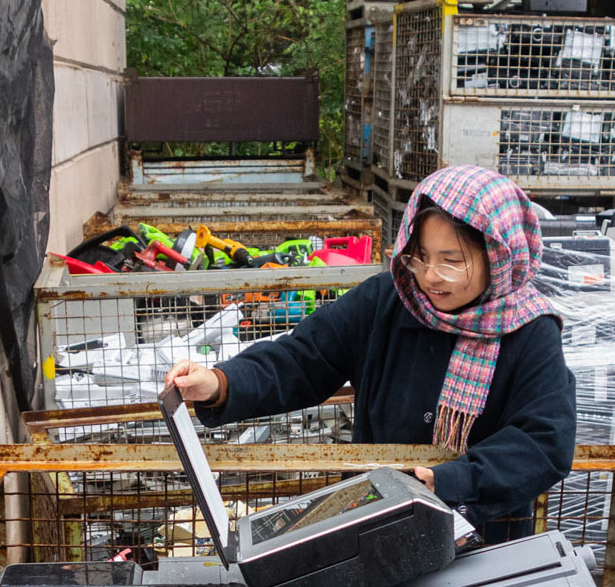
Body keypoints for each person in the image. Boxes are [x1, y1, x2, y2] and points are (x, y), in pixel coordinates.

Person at [164, 165, 575, 542]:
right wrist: (221, 382)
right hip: (378, 522)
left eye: (451, 262)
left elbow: (544, 440)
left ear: (497, 257)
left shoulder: (530, 331)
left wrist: (453, 481)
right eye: (422, 257)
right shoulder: (388, 301)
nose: (431, 276)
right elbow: (302, 357)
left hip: (485, 540)